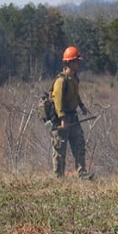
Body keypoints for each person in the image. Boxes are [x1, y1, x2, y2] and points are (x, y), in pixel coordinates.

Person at [51, 46, 92, 178]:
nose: (78, 64)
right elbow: (58, 101)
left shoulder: (74, 78)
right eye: (76, 61)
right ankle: (59, 177)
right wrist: (63, 119)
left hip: (73, 117)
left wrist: (81, 106)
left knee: (79, 144)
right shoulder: (61, 81)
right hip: (61, 120)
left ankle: (82, 173)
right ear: (69, 62)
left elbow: (75, 95)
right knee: (60, 149)